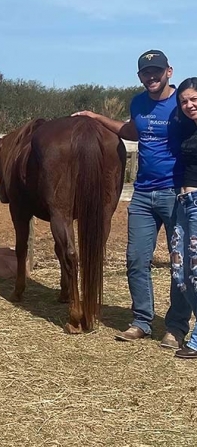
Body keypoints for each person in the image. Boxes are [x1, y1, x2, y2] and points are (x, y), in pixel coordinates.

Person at [74, 50, 191, 347]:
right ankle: (141, 321)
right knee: (136, 260)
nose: (151, 77)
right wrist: (96, 118)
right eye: (145, 73)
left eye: (157, 71)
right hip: (142, 194)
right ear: (140, 77)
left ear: (169, 72)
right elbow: (133, 131)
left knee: (179, 263)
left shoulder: (182, 103)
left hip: (176, 192)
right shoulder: (138, 102)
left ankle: (176, 327)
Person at [169, 78, 197, 358]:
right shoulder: (187, 127)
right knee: (181, 272)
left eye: (194, 100)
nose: (189, 105)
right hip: (183, 202)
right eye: (184, 100)